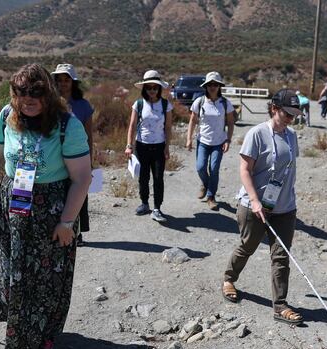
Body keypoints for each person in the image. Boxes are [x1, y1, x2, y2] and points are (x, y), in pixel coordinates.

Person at [0, 64, 91, 349]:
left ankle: (45, 341)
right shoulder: (6, 116)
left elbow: (82, 178)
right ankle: (22, 330)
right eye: (22, 93)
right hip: (13, 205)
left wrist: (67, 222)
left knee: (49, 277)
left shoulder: (67, 126)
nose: (29, 99)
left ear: (48, 93)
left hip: (52, 210)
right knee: (11, 269)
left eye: (36, 92)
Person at [222, 88, 303, 325]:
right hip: (254, 206)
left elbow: (288, 169)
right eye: (288, 114)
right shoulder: (256, 134)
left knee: (281, 257)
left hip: (284, 207)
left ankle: (280, 305)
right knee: (247, 246)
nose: (291, 119)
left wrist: (288, 198)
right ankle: (229, 278)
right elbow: (244, 170)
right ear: (275, 109)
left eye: (294, 115)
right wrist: (256, 201)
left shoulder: (292, 136)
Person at [51, 63, 94, 246]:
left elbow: (88, 136)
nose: (63, 83)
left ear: (73, 82)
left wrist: (90, 161)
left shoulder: (83, 106)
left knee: (78, 193)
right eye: (59, 80)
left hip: (78, 159)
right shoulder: (49, 104)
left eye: (66, 79)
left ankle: (77, 231)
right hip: (55, 159)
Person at [125, 70, 173, 223]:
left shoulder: (166, 105)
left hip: (158, 146)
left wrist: (167, 147)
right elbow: (132, 126)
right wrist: (129, 145)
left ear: (159, 88)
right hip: (142, 146)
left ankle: (157, 207)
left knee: (158, 178)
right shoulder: (138, 104)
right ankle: (144, 203)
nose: (152, 90)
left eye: (155, 87)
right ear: (144, 89)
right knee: (143, 177)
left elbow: (168, 128)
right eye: (149, 87)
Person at [185, 71, 234, 211]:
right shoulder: (199, 102)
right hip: (203, 141)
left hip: (218, 143)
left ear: (219, 86)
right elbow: (193, 121)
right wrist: (189, 139)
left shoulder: (225, 103)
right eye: (210, 84)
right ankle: (205, 185)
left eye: (215, 84)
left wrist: (228, 140)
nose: (212, 87)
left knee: (214, 169)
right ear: (205, 86)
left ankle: (211, 196)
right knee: (200, 167)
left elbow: (230, 122)